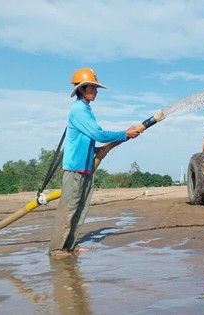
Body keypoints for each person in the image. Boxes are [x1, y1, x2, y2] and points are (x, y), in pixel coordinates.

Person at [49, 68, 142, 257]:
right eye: (93, 87)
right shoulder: (78, 111)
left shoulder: (86, 110)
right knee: (69, 209)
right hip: (75, 169)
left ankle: (71, 246)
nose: (96, 91)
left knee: (80, 208)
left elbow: (87, 139)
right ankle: (58, 249)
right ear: (82, 89)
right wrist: (125, 134)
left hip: (86, 167)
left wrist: (97, 149)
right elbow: (98, 134)